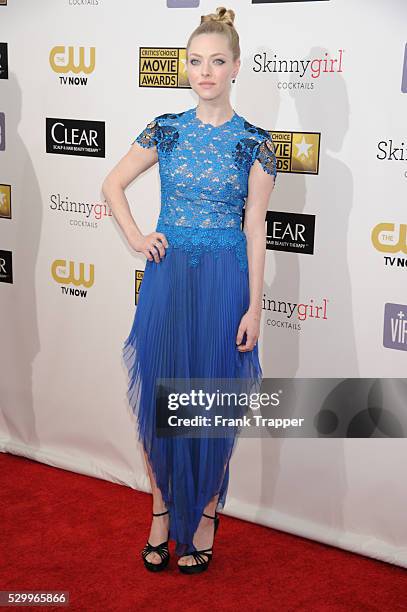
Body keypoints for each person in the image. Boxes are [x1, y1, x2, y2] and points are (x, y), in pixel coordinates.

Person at [102, 5, 277, 574]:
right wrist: (135, 236)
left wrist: (254, 305)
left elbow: (255, 228)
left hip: (225, 280)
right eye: (196, 61)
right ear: (186, 66)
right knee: (161, 400)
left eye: (217, 61)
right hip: (169, 276)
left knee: (209, 406)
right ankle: (159, 513)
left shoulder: (255, 142)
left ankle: (204, 517)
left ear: (235, 67)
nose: (206, 71)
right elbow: (112, 183)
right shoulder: (167, 129)